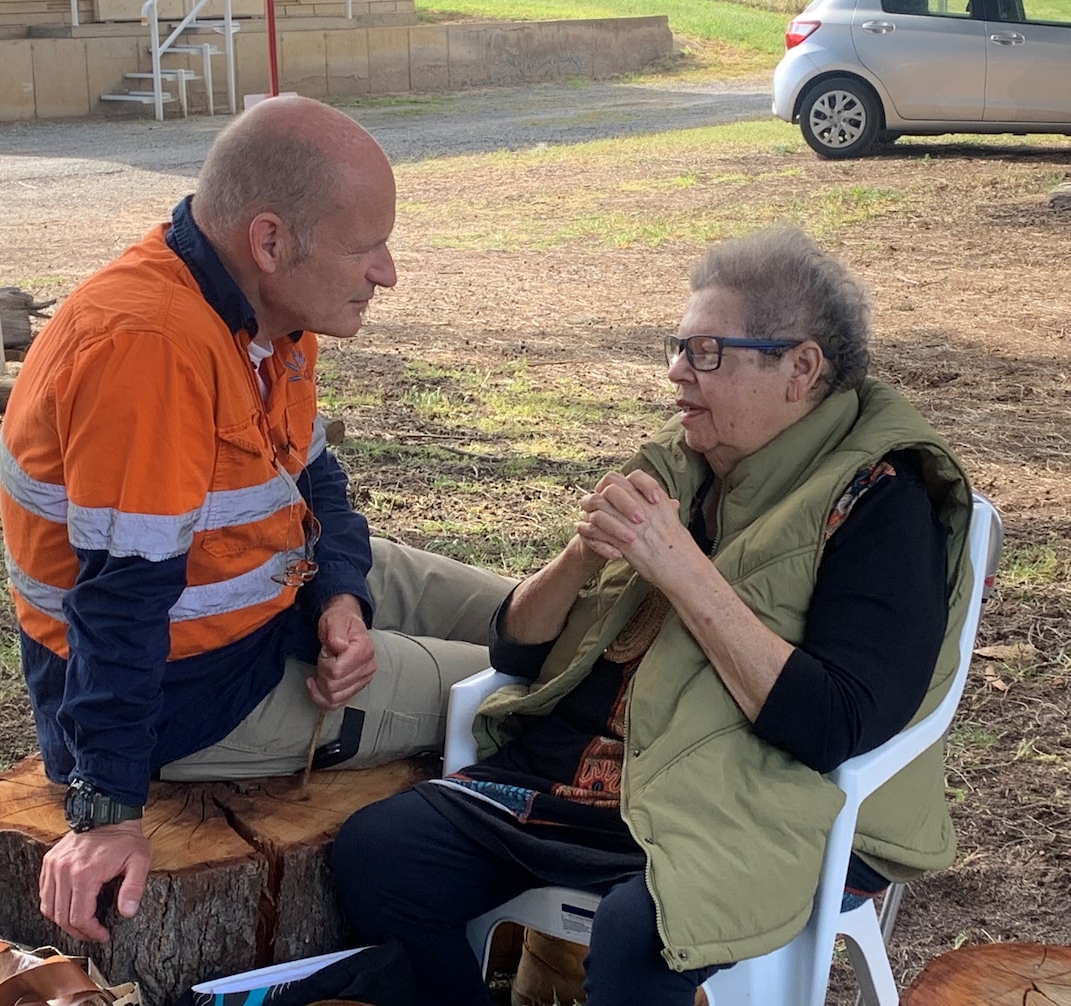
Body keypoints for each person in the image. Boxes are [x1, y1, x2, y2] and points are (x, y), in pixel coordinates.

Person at [332, 225, 976, 1006]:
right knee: (380, 855)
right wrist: (579, 558)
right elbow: (516, 648)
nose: (676, 373)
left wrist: (681, 569)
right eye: (677, 347)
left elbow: (837, 723)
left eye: (708, 352)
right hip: (580, 786)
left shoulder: (881, 500)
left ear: (800, 369)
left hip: (751, 800)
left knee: (648, 927)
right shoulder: (682, 464)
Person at [0, 95, 515, 945]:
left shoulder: (270, 316)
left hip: (281, 593)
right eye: (366, 247)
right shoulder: (150, 348)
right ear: (270, 242)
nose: (387, 272)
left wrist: (339, 597)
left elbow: (320, 485)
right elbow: (119, 602)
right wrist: (107, 810)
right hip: (196, 693)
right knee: (518, 694)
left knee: (540, 615)